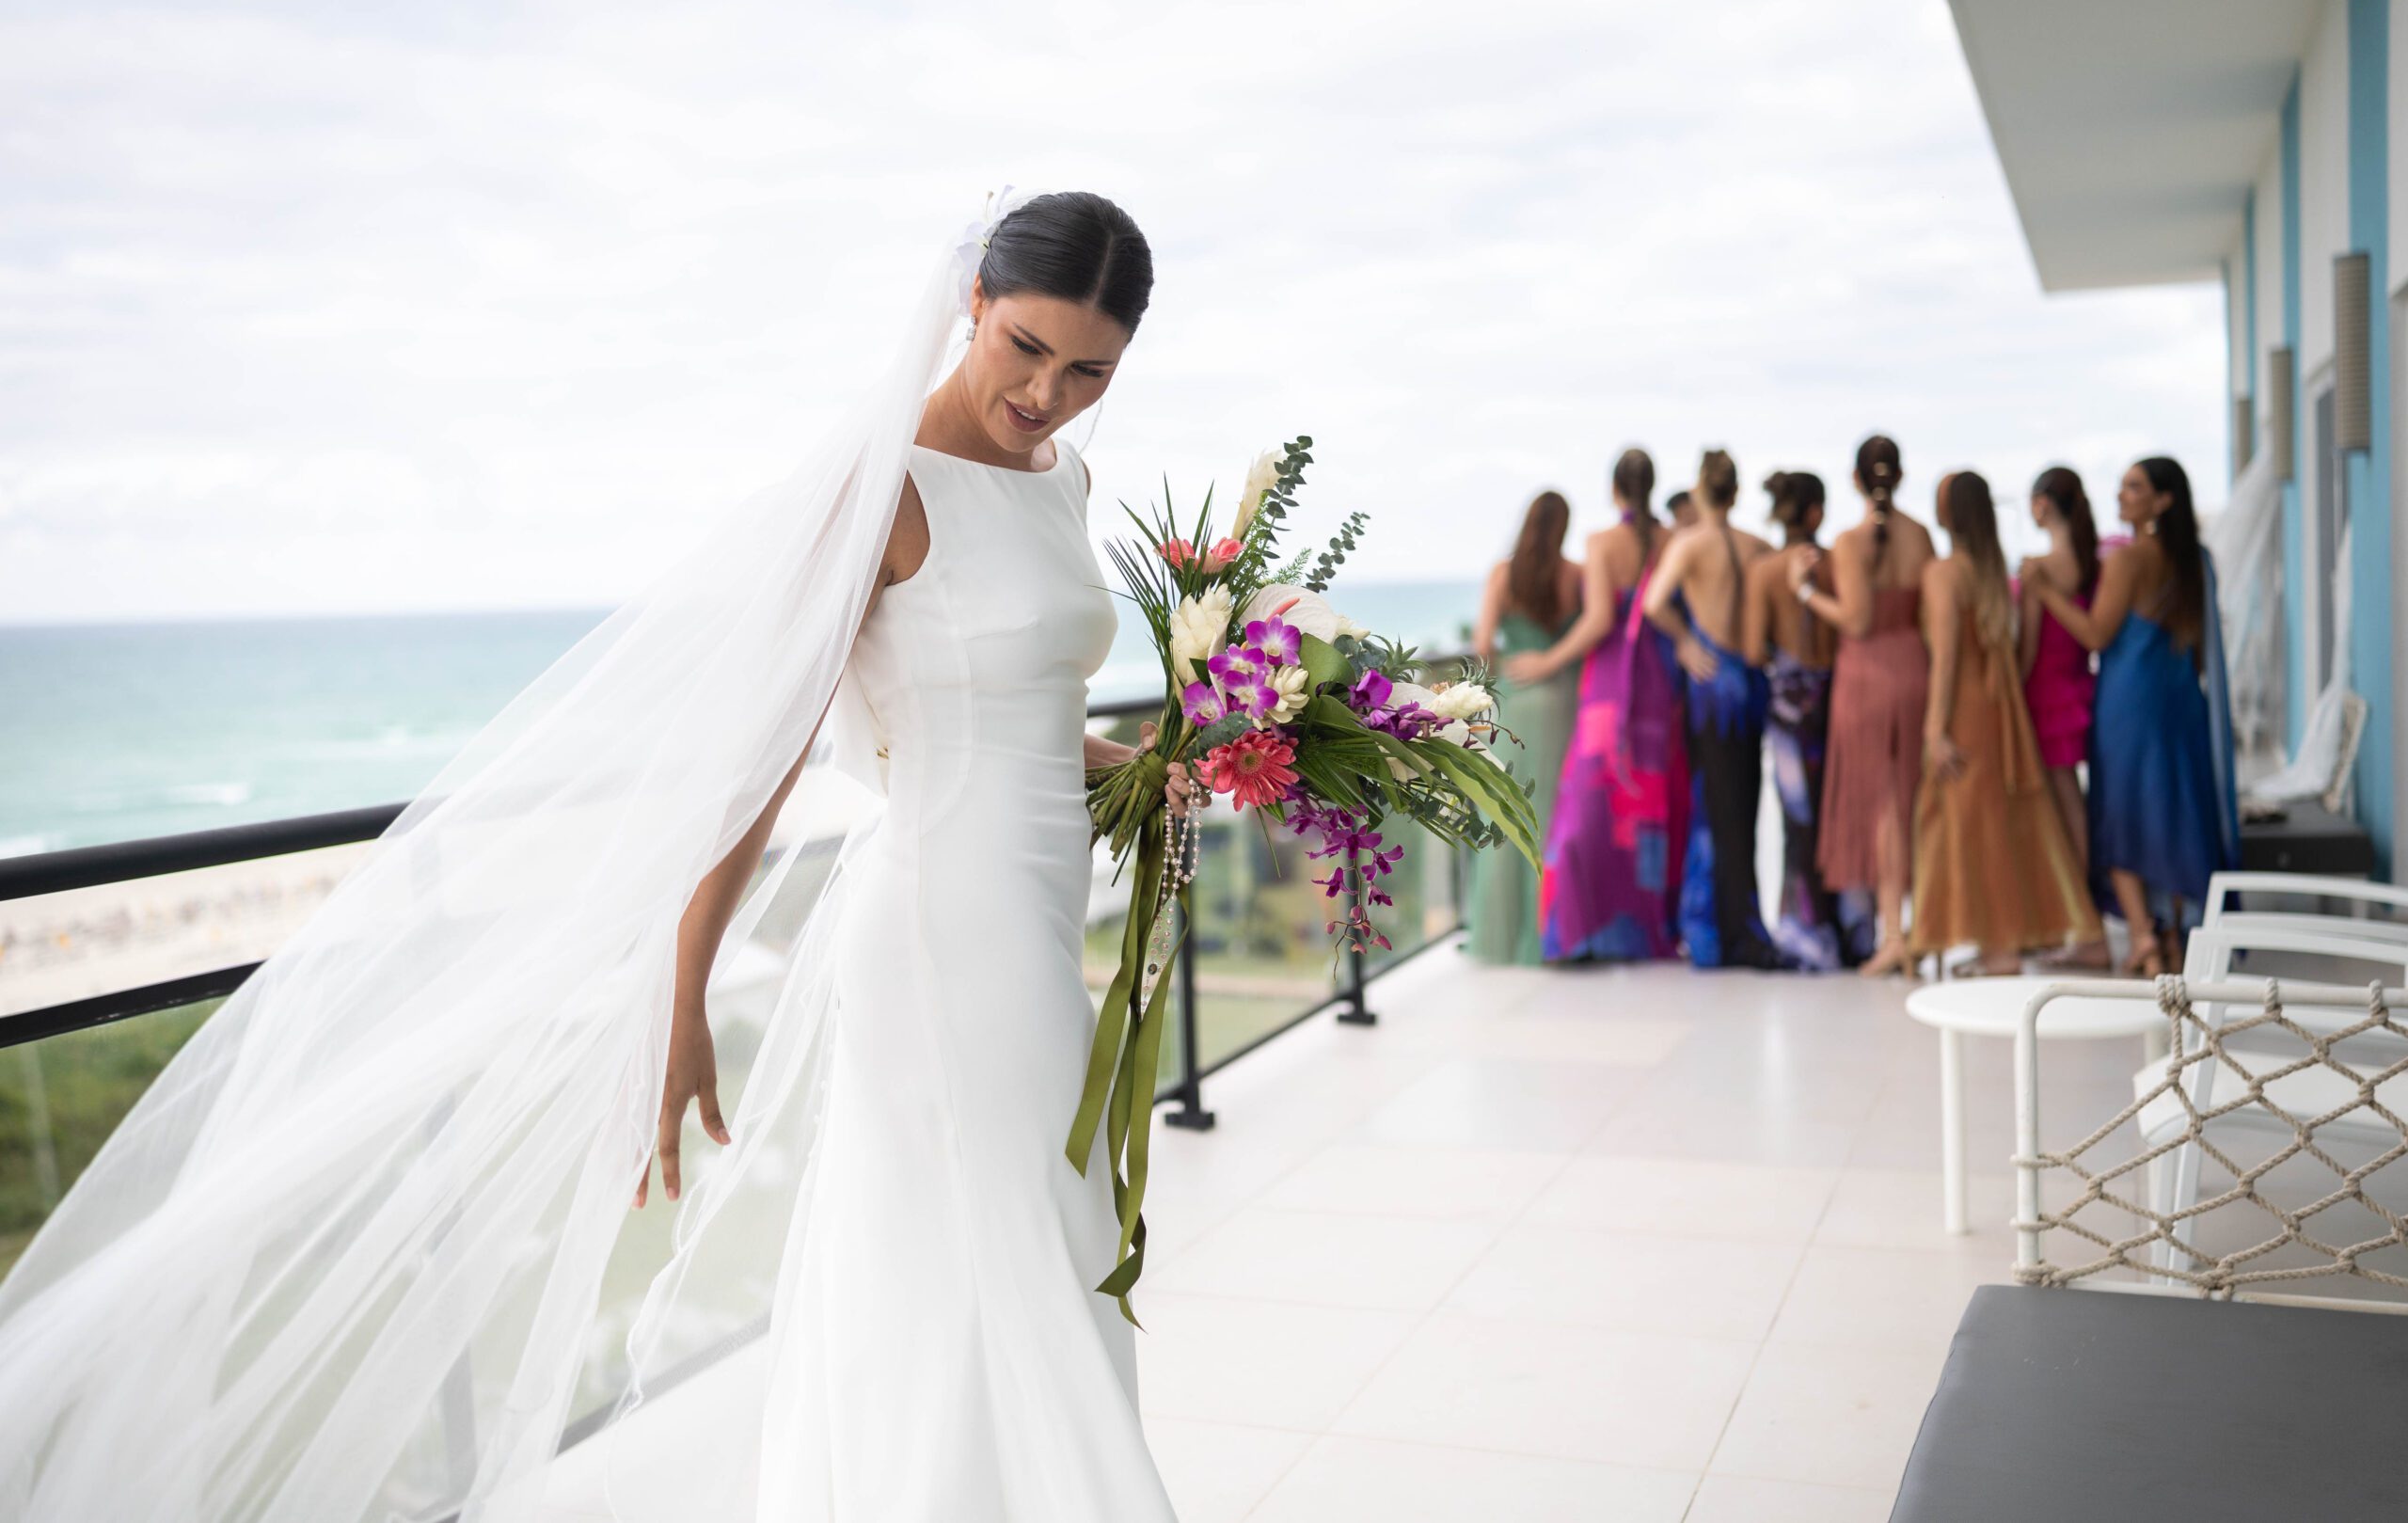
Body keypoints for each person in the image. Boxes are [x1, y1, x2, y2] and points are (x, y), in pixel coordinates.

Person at [0, 192, 1196, 1520]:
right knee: (1037, 1253)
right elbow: (760, 761)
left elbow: (1013, 710)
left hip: (1031, 922)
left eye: (1090, 369)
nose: (1048, 391)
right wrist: (680, 992)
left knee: (1000, 1257)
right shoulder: (881, 490)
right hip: (943, 938)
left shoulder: (1062, 480)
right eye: (1026, 345)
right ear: (972, 301)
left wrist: (1161, 760)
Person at [2023, 456, 2239, 976]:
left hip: (2129, 703)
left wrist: (2044, 590)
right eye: (2121, 486)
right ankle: (2171, 932)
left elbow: (2096, 634)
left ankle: (2142, 935)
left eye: (2134, 488)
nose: (2121, 496)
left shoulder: (2127, 561)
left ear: (2163, 500)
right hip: (2182, 699)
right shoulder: (2195, 560)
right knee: (2178, 813)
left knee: (2120, 815)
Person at [1908, 472, 2101, 972]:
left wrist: (1934, 729)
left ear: (1946, 513)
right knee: (2001, 824)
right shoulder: (1992, 570)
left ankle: (1997, 949)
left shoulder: (1944, 573)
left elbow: (1947, 657)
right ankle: (2006, 941)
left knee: (1966, 824)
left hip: (1965, 709)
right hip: (2002, 709)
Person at [1508, 448, 1687, 962]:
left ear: (1614, 490)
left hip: (1610, 684)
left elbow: (1599, 621)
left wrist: (1546, 662)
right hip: (1659, 680)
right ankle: (1644, 927)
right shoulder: (1672, 539)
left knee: (1588, 805)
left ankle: (1579, 930)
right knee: (1648, 806)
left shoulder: (1602, 543)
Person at [1791, 434, 1936, 977]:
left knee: (1879, 806)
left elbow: (1854, 620)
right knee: (1911, 800)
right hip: (1913, 667)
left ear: (1856, 481)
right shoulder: (1921, 536)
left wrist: (1805, 592)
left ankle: (1893, 934)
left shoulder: (1849, 543)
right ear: (1898, 477)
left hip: (1865, 674)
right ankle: (1918, 928)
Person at [1646, 449, 1784, 969]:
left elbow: (1653, 603)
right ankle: (1742, 927)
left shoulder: (1688, 544)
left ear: (1701, 491)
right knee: (1742, 809)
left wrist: (1684, 642)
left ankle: (1716, 935)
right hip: (1748, 681)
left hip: (1710, 683)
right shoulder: (1759, 546)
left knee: (1712, 808)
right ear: (1737, 492)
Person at [1744, 470, 1873, 970]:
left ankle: (1806, 935)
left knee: (1798, 824)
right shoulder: (1839, 562)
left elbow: (1755, 650)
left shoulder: (1763, 571)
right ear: (1816, 512)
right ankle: (1857, 932)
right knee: (1844, 815)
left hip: (1790, 710)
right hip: (1840, 698)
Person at [1465, 490, 1582, 965]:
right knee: (1555, 821)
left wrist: (1507, 668)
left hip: (1515, 706)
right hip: (1560, 702)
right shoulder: (1575, 576)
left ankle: (1499, 938)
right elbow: (1592, 629)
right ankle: (1551, 937)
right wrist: (1551, 661)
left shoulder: (1502, 573)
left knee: (1507, 816)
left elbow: (1482, 644)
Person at [2020, 466, 2110, 968]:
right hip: (2077, 685)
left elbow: (2029, 648)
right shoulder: (2087, 558)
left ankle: (2084, 925)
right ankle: (2077, 921)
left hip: (2046, 694)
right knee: (2071, 807)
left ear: (2041, 505)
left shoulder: (2042, 566)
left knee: (2065, 812)